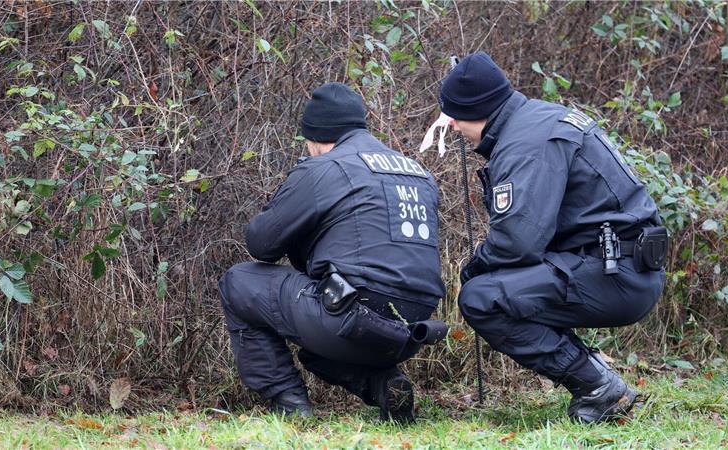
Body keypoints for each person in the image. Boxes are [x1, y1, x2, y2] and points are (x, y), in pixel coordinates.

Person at [438, 52, 667, 423]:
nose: (449, 125)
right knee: (504, 286)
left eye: (452, 115)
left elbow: (518, 242)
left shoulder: (526, 142)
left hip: (617, 273)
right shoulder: (536, 120)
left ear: (476, 108)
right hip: (621, 265)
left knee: (483, 297)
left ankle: (597, 385)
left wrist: (475, 267)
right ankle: (597, 378)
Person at [218, 82, 446, 422]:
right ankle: (386, 385)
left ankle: (288, 404)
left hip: (354, 318)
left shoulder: (324, 168)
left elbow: (261, 243)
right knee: (316, 346)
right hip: (414, 329)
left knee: (238, 282)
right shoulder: (417, 172)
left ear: (317, 137)